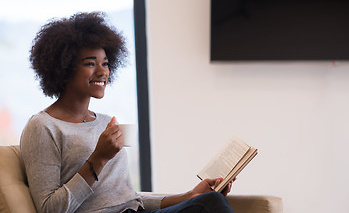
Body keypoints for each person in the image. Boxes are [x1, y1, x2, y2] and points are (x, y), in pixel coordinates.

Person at [20, 12, 235, 213]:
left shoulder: (105, 122)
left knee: (208, 200)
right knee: (212, 204)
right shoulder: (42, 126)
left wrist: (191, 195)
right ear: (63, 67)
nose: (102, 71)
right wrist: (98, 159)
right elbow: (49, 208)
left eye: (105, 63)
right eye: (90, 64)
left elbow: (127, 199)